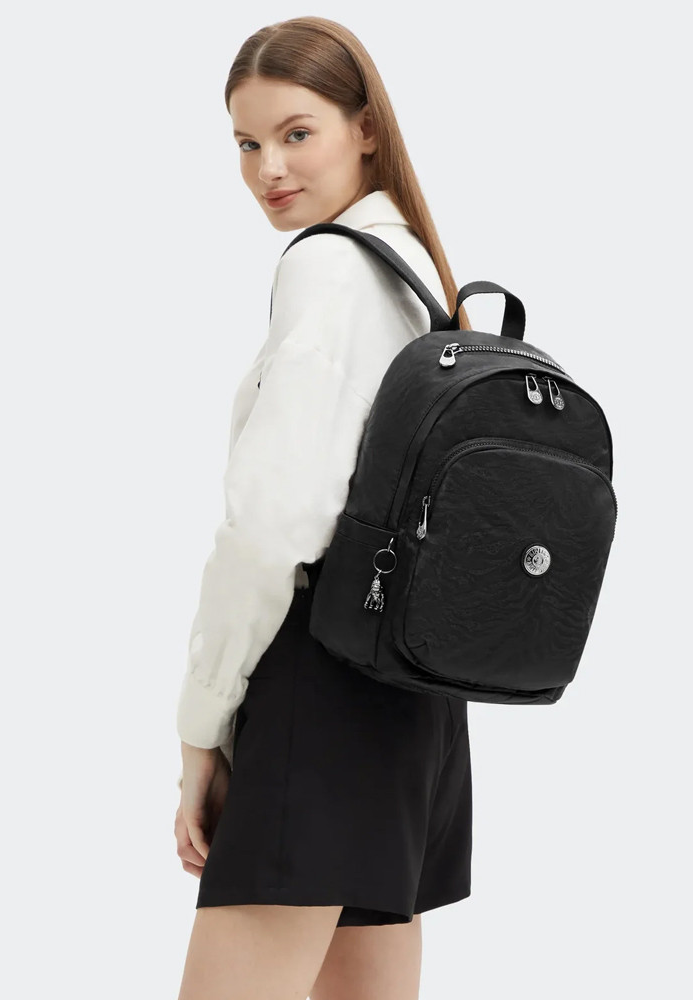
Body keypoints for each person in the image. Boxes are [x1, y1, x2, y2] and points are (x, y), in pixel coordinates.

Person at [174, 17, 475, 1000]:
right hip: (412, 704)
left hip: (320, 690)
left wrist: (201, 727)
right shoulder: (419, 274)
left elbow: (274, 526)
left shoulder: (331, 266)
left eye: (295, 133)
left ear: (365, 129)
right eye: (246, 143)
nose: (267, 169)